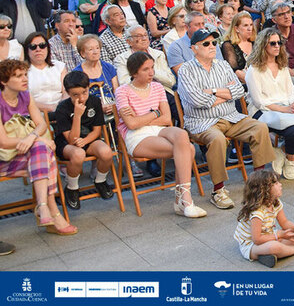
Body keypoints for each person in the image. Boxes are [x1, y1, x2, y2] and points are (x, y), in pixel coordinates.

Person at [178, 27, 275, 209]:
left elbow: (239, 90)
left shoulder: (222, 65)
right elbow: (196, 100)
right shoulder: (186, 70)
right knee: (217, 140)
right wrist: (225, 93)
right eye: (206, 44)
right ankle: (218, 190)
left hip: (230, 116)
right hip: (202, 122)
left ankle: (259, 181)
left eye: (214, 42)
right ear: (194, 49)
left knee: (259, 127)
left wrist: (213, 92)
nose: (212, 46)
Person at [116, 51, 206, 217]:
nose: (151, 72)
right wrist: (154, 113)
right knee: (190, 150)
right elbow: (131, 124)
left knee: (181, 135)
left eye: (152, 68)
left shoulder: (157, 87)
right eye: (145, 69)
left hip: (158, 130)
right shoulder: (123, 91)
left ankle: (184, 199)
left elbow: (166, 117)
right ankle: (184, 200)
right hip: (137, 136)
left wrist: (143, 117)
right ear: (134, 72)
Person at [0, 58, 77, 235]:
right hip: (5, 157)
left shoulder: (25, 95)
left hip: (25, 154)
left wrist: (33, 137)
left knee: (42, 154)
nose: (24, 79)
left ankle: (43, 208)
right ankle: (51, 211)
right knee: (46, 156)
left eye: (25, 74)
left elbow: (41, 124)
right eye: (18, 76)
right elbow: (3, 141)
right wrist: (38, 140)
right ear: (3, 81)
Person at [245, 28, 294, 180]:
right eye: (273, 43)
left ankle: (283, 150)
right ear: (263, 46)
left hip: (286, 109)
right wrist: (285, 109)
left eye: (280, 42)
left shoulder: (283, 66)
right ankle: (291, 161)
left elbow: (291, 92)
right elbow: (259, 101)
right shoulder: (254, 70)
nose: (277, 46)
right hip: (263, 112)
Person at [52, 71, 116, 209]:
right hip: (67, 143)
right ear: (68, 93)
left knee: (106, 152)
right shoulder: (62, 108)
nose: (81, 98)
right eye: (75, 95)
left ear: (88, 88)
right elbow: (71, 139)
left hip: (88, 139)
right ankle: (72, 188)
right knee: (78, 154)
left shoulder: (94, 101)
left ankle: (100, 181)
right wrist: (77, 116)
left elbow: (97, 131)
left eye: (84, 92)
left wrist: (85, 141)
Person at [234, 169, 294, 268]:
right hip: (250, 245)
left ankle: (269, 255)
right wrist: (279, 235)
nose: (280, 185)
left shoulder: (276, 202)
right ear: (264, 190)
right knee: (273, 247)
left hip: (268, 235)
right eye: (275, 183)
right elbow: (257, 239)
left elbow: (284, 222)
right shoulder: (257, 212)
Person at [114, 24, 174, 89]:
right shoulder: (121, 59)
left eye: (145, 35)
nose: (144, 38)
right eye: (138, 36)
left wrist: (151, 71)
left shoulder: (158, 54)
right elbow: (124, 83)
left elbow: (171, 81)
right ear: (129, 42)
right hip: (137, 95)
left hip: (163, 91)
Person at [25, 31, 67, 113]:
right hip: (35, 112)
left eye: (42, 46)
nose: (38, 49)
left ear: (48, 48)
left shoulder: (59, 66)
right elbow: (23, 99)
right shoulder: (22, 71)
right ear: (27, 50)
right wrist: (50, 108)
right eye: (33, 47)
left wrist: (60, 107)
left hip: (61, 110)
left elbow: (66, 91)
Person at [222, 11, 256, 85]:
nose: (249, 28)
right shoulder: (228, 45)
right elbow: (236, 72)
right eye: (245, 25)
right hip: (241, 85)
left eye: (251, 25)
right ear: (236, 28)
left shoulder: (256, 44)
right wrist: (255, 83)